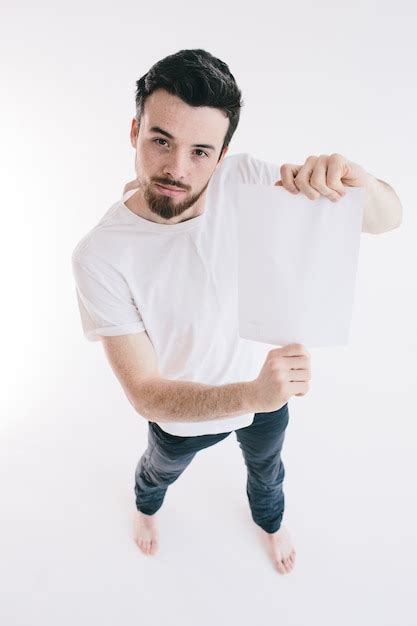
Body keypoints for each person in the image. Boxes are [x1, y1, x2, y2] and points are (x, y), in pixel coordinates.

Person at [71, 48, 402, 575]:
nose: (177, 169)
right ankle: (145, 510)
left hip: (264, 395)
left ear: (223, 154)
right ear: (134, 130)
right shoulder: (101, 254)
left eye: (201, 151)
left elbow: (387, 219)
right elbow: (144, 391)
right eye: (161, 141)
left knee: (268, 474)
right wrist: (252, 394)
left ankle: (269, 524)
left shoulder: (247, 181)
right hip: (183, 417)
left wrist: (357, 180)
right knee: (157, 474)